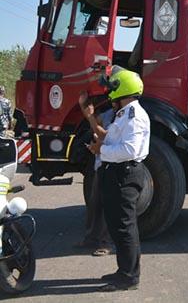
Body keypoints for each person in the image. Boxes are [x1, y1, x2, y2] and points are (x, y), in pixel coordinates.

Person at [78, 68, 150, 292]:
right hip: (117, 173)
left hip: (125, 174)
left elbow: (129, 149)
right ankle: (123, 271)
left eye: (112, 90)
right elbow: (111, 137)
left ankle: (129, 277)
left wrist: (101, 150)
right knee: (119, 227)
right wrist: (98, 140)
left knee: (125, 228)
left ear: (123, 91)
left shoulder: (135, 116)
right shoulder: (124, 114)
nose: (109, 95)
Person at [76, 108, 114, 256]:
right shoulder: (109, 113)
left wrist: (93, 123)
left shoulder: (124, 116)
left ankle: (107, 243)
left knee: (108, 206)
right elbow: (97, 125)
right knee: (94, 204)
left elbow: (105, 135)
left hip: (112, 165)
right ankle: (91, 238)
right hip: (100, 164)